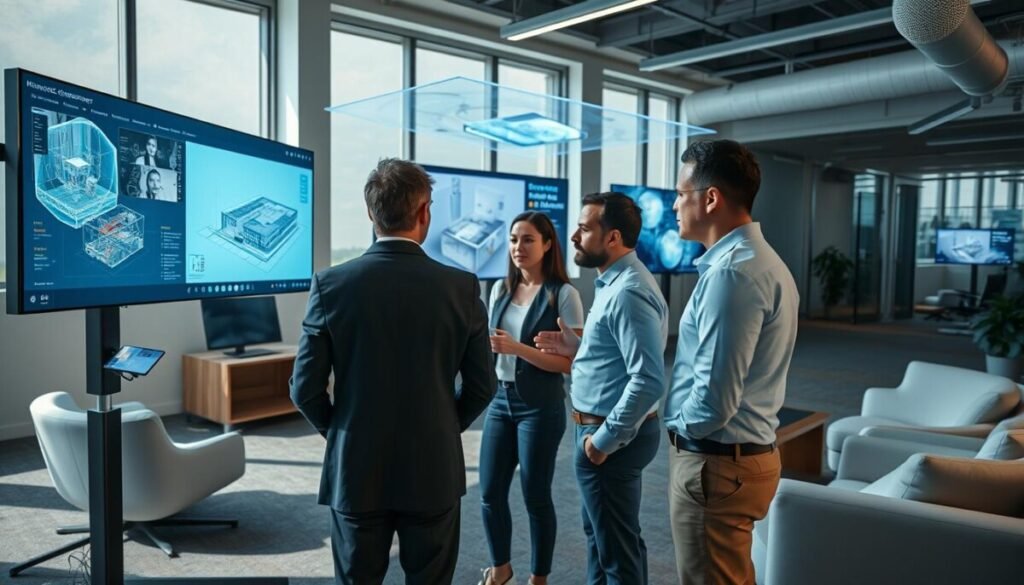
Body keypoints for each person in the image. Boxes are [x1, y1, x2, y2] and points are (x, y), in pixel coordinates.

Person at [289, 158, 495, 585]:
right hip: (432, 470)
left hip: (357, 472)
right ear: (425, 213)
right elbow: (482, 386)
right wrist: (442, 425)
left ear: (371, 214)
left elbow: (304, 390)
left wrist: (345, 431)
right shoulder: (461, 287)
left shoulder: (330, 285)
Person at [664, 139, 799, 585]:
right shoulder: (762, 263)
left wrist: (676, 426)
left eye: (681, 193)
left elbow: (714, 401)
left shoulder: (732, 275)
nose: (675, 204)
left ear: (711, 198)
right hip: (741, 459)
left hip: (716, 466)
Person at [534, 192, 668, 585]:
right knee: (605, 539)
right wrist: (580, 349)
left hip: (609, 437)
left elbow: (648, 379)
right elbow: (621, 359)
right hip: (601, 430)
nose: (573, 236)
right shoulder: (614, 282)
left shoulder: (628, 291)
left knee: (615, 554)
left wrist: (601, 442)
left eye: (585, 228)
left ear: (612, 238)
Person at [478, 211, 584, 585]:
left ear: (547, 244)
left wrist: (518, 348)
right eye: (512, 240)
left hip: (540, 406)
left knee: (535, 495)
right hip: (500, 402)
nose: (517, 248)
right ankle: (501, 568)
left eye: (527, 240)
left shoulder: (563, 295)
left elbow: (571, 363)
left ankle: (539, 578)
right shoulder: (499, 290)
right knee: (489, 492)